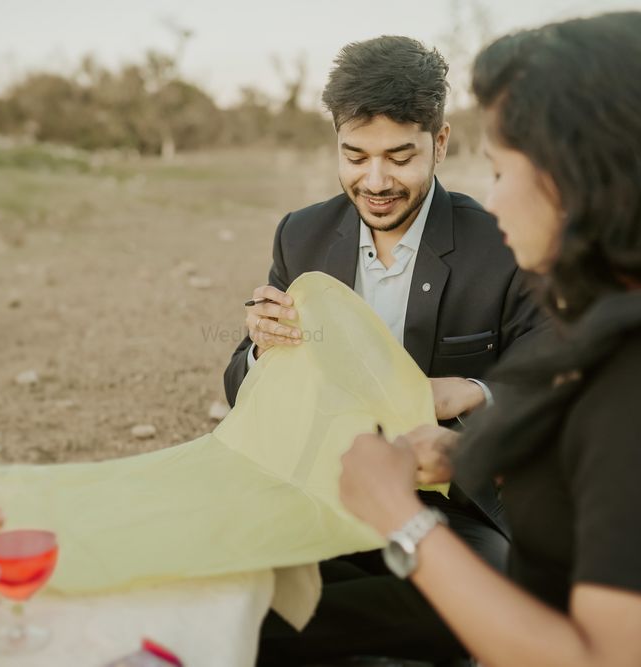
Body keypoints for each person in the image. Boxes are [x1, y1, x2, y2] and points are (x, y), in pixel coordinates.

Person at [339, 11, 641, 667]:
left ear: (581, 179)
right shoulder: (629, 317)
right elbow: (597, 474)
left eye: (503, 171)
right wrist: (467, 451)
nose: (494, 201)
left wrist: (402, 517)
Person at [223, 35, 544, 664]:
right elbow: (239, 386)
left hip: (458, 498)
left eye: (400, 157)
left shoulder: (501, 242)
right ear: (337, 144)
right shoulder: (302, 232)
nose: (374, 182)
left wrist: (474, 392)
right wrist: (263, 351)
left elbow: (557, 376)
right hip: (319, 483)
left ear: (441, 143)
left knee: (496, 584)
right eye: (355, 155)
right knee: (230, 561)